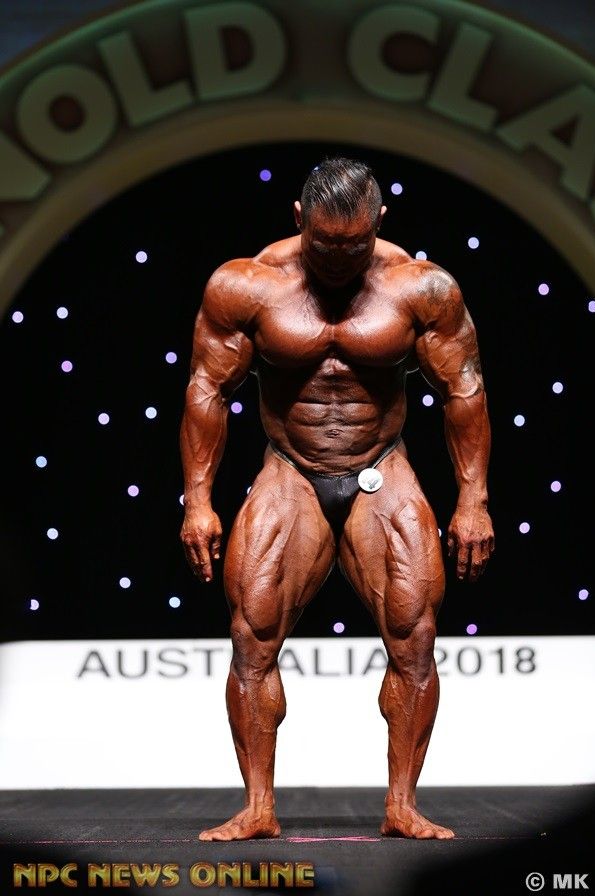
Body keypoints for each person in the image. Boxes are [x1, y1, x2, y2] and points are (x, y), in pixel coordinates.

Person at [180, 157, 494, 841]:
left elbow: (464, 390)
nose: (338, 257)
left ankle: (402, 806)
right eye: (324, 242)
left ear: (379, 222)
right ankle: (258, 807)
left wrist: (473, 500)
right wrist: (197, 500)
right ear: (300, 219)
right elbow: (207, 388)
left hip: (381, 465)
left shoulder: (421, 287)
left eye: (354, 244)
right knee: (252, 634)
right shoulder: (246, 285)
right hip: (290, 469)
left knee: (415, 635)